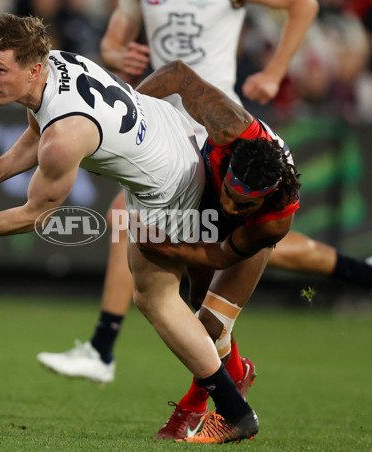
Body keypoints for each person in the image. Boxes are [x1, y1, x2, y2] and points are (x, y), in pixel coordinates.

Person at [0, 13, 263, 444]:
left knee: (156, 298)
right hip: (180, 137)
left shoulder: (65, 136)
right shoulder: (57, 63)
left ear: (32, 69)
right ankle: (233, 377)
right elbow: (37, 129)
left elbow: (36, 214)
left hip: (169, 188)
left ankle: (234, 410)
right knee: (188, 297)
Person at [36, 0, 372, 393]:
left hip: (212, 127)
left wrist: (274, 71)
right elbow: (114, 42)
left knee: (207, 235)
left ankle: (105, 348)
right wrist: (118, 56)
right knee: (250, 245)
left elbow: (303, 5)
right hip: (159, 123)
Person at [132, 58, 302, 443]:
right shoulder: (228, 124)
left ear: (265, 198)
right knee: (193, 300)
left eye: (244, 204)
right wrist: (125, 119)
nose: (232, 206)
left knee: (209, 324)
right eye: (232, 193)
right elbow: (176, 73)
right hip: (202, 194)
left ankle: (192, 408)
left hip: (241, 237)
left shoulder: (273, 218)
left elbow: (224, 255)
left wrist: (168, 247)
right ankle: (237, 371)